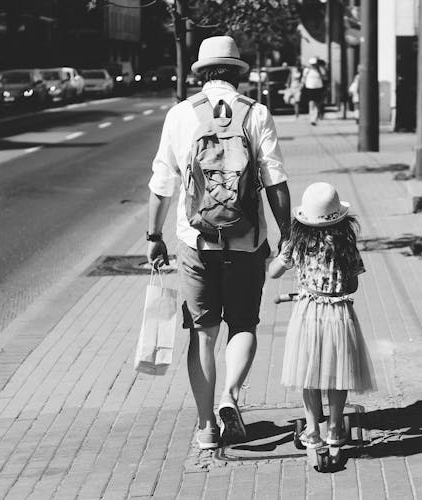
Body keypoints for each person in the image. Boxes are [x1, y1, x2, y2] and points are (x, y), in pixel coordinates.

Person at [147, 35, 291, 450]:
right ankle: (231, 396)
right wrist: (286, 234)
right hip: (247, 240)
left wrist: (154, 236)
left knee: (202, 334)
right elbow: (274, 179)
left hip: (196, 241)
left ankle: (207, 425)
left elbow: (162, 183)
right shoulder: (256, 112)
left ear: (202, 73)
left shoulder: (180, 115)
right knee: (243, 324)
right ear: (237, 73)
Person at [268, 182, 376, 448]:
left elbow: (273, 272)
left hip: (307, 313)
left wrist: (284, 255)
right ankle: (336, 428)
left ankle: (313, 429)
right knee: (339, 372)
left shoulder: (297, 242)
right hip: (339, 312)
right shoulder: (345, 244)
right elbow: (352, 285)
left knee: (307, 371)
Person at [302, 57, 325, 126]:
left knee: (317, 104)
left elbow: (324, 75)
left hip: (318, 87)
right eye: (312, 64)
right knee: (311, 103)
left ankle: (315, 118)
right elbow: (303, 78)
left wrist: (320, 68)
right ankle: (312, 118)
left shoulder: (319, 70)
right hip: (310, 87)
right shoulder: (307, 70)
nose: (313, 65)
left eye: (314, 64)